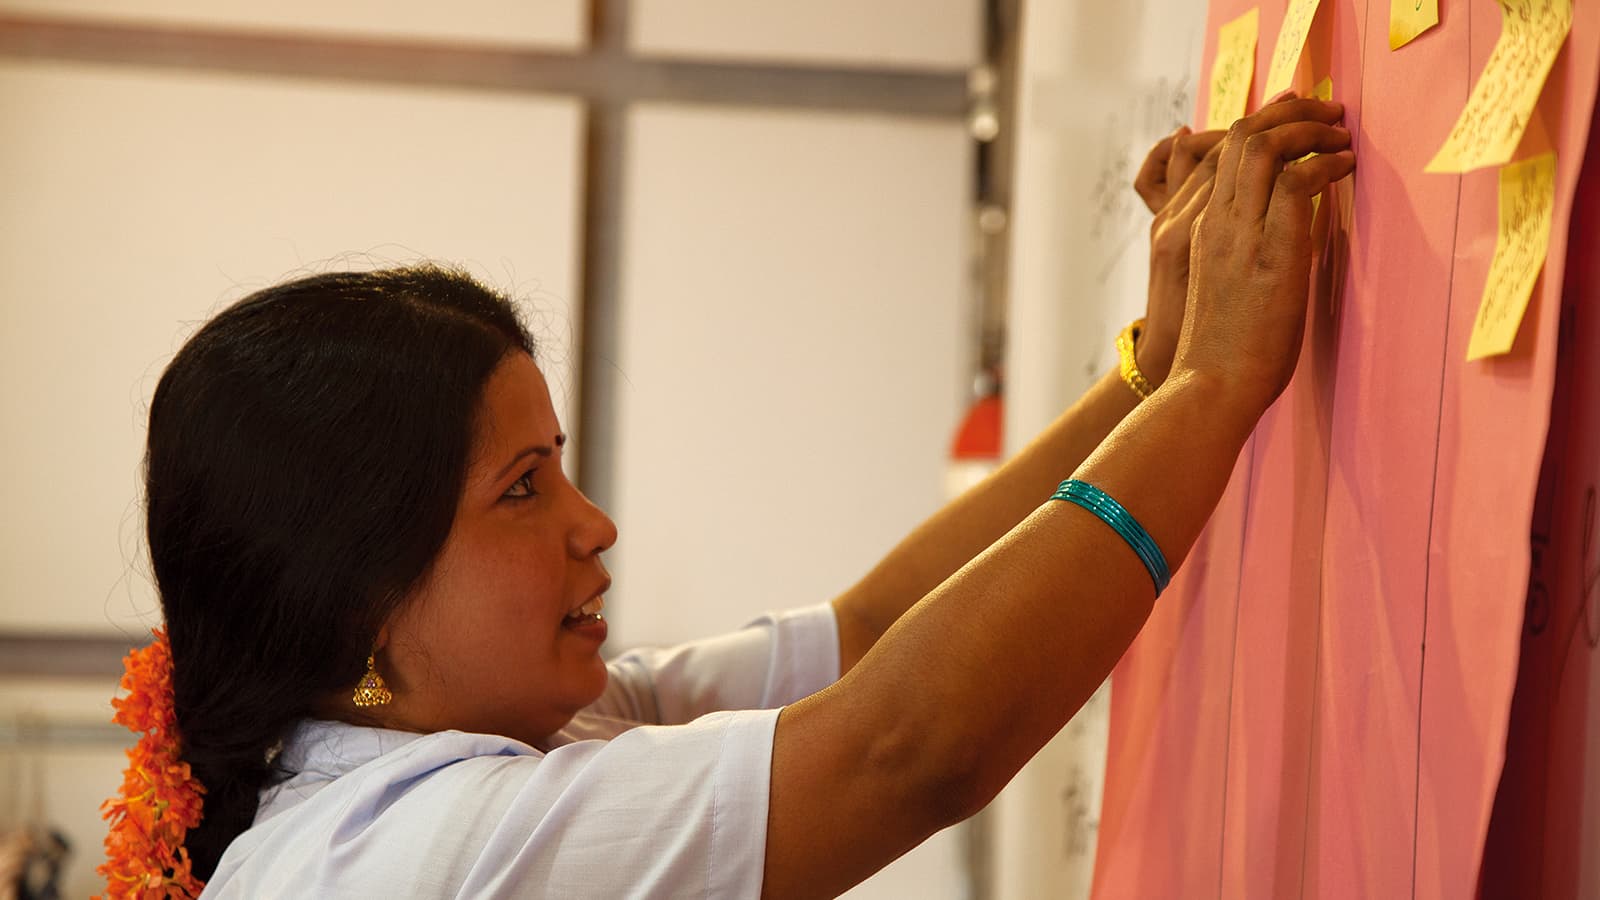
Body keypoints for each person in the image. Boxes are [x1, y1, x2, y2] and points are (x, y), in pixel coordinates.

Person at [95, 95, 1353, 899]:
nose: (596, 525)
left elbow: (867, 637)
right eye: (524, 492)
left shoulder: (510, 722)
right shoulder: (406, 860)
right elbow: (908, 751)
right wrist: (1218, 385)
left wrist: (1149, 371)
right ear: (361, 606)